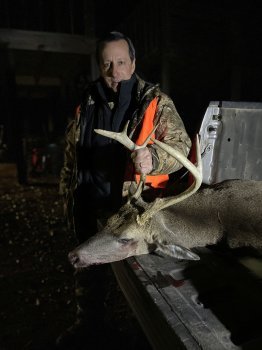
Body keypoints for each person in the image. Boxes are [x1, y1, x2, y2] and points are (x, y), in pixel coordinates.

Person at [57, 31, 192, 348]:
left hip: (131, 211)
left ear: (133, 63)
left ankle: (139, 334)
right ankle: (90, 327)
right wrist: (67, 193)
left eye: (120, 62)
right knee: (88, 274)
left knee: (140, 280)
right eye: (107, 63)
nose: (114, 71)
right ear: (99, 66)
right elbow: (70, 157)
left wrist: (153, 158)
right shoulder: (85, 103)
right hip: (88, 205)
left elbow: (182, 148)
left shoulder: (156, 103)